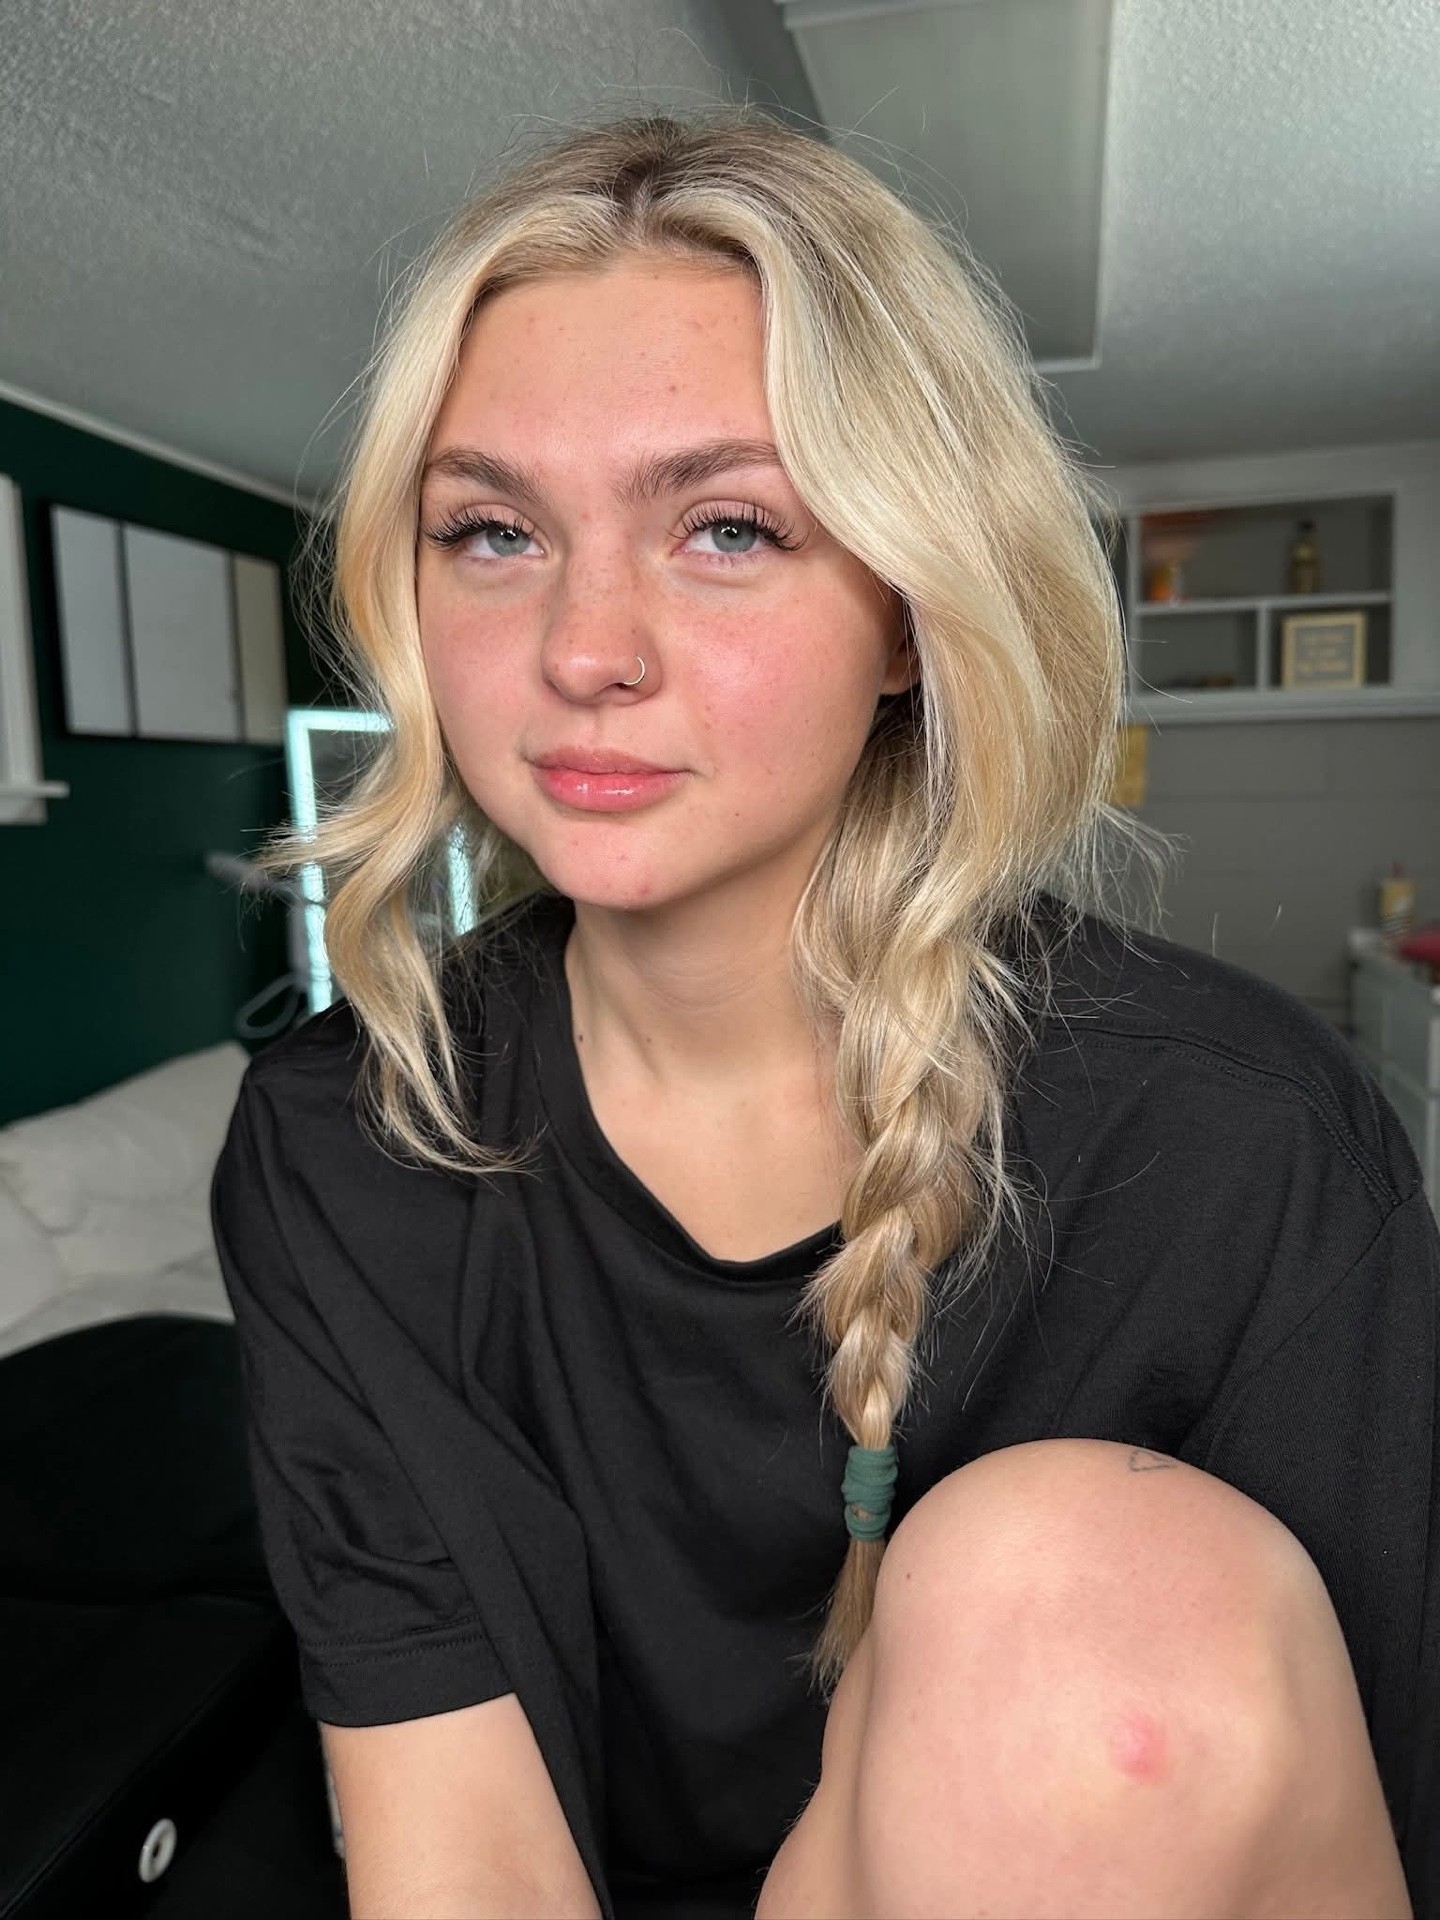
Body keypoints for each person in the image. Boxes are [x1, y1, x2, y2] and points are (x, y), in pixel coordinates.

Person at [211, 108, 1437, 1919]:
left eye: (726, 527)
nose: (584, 649)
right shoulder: (343, 1140)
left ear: (909, 616)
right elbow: (460, 1859)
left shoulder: (1243, 1143)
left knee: (1070, 1584)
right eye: (491, 530)